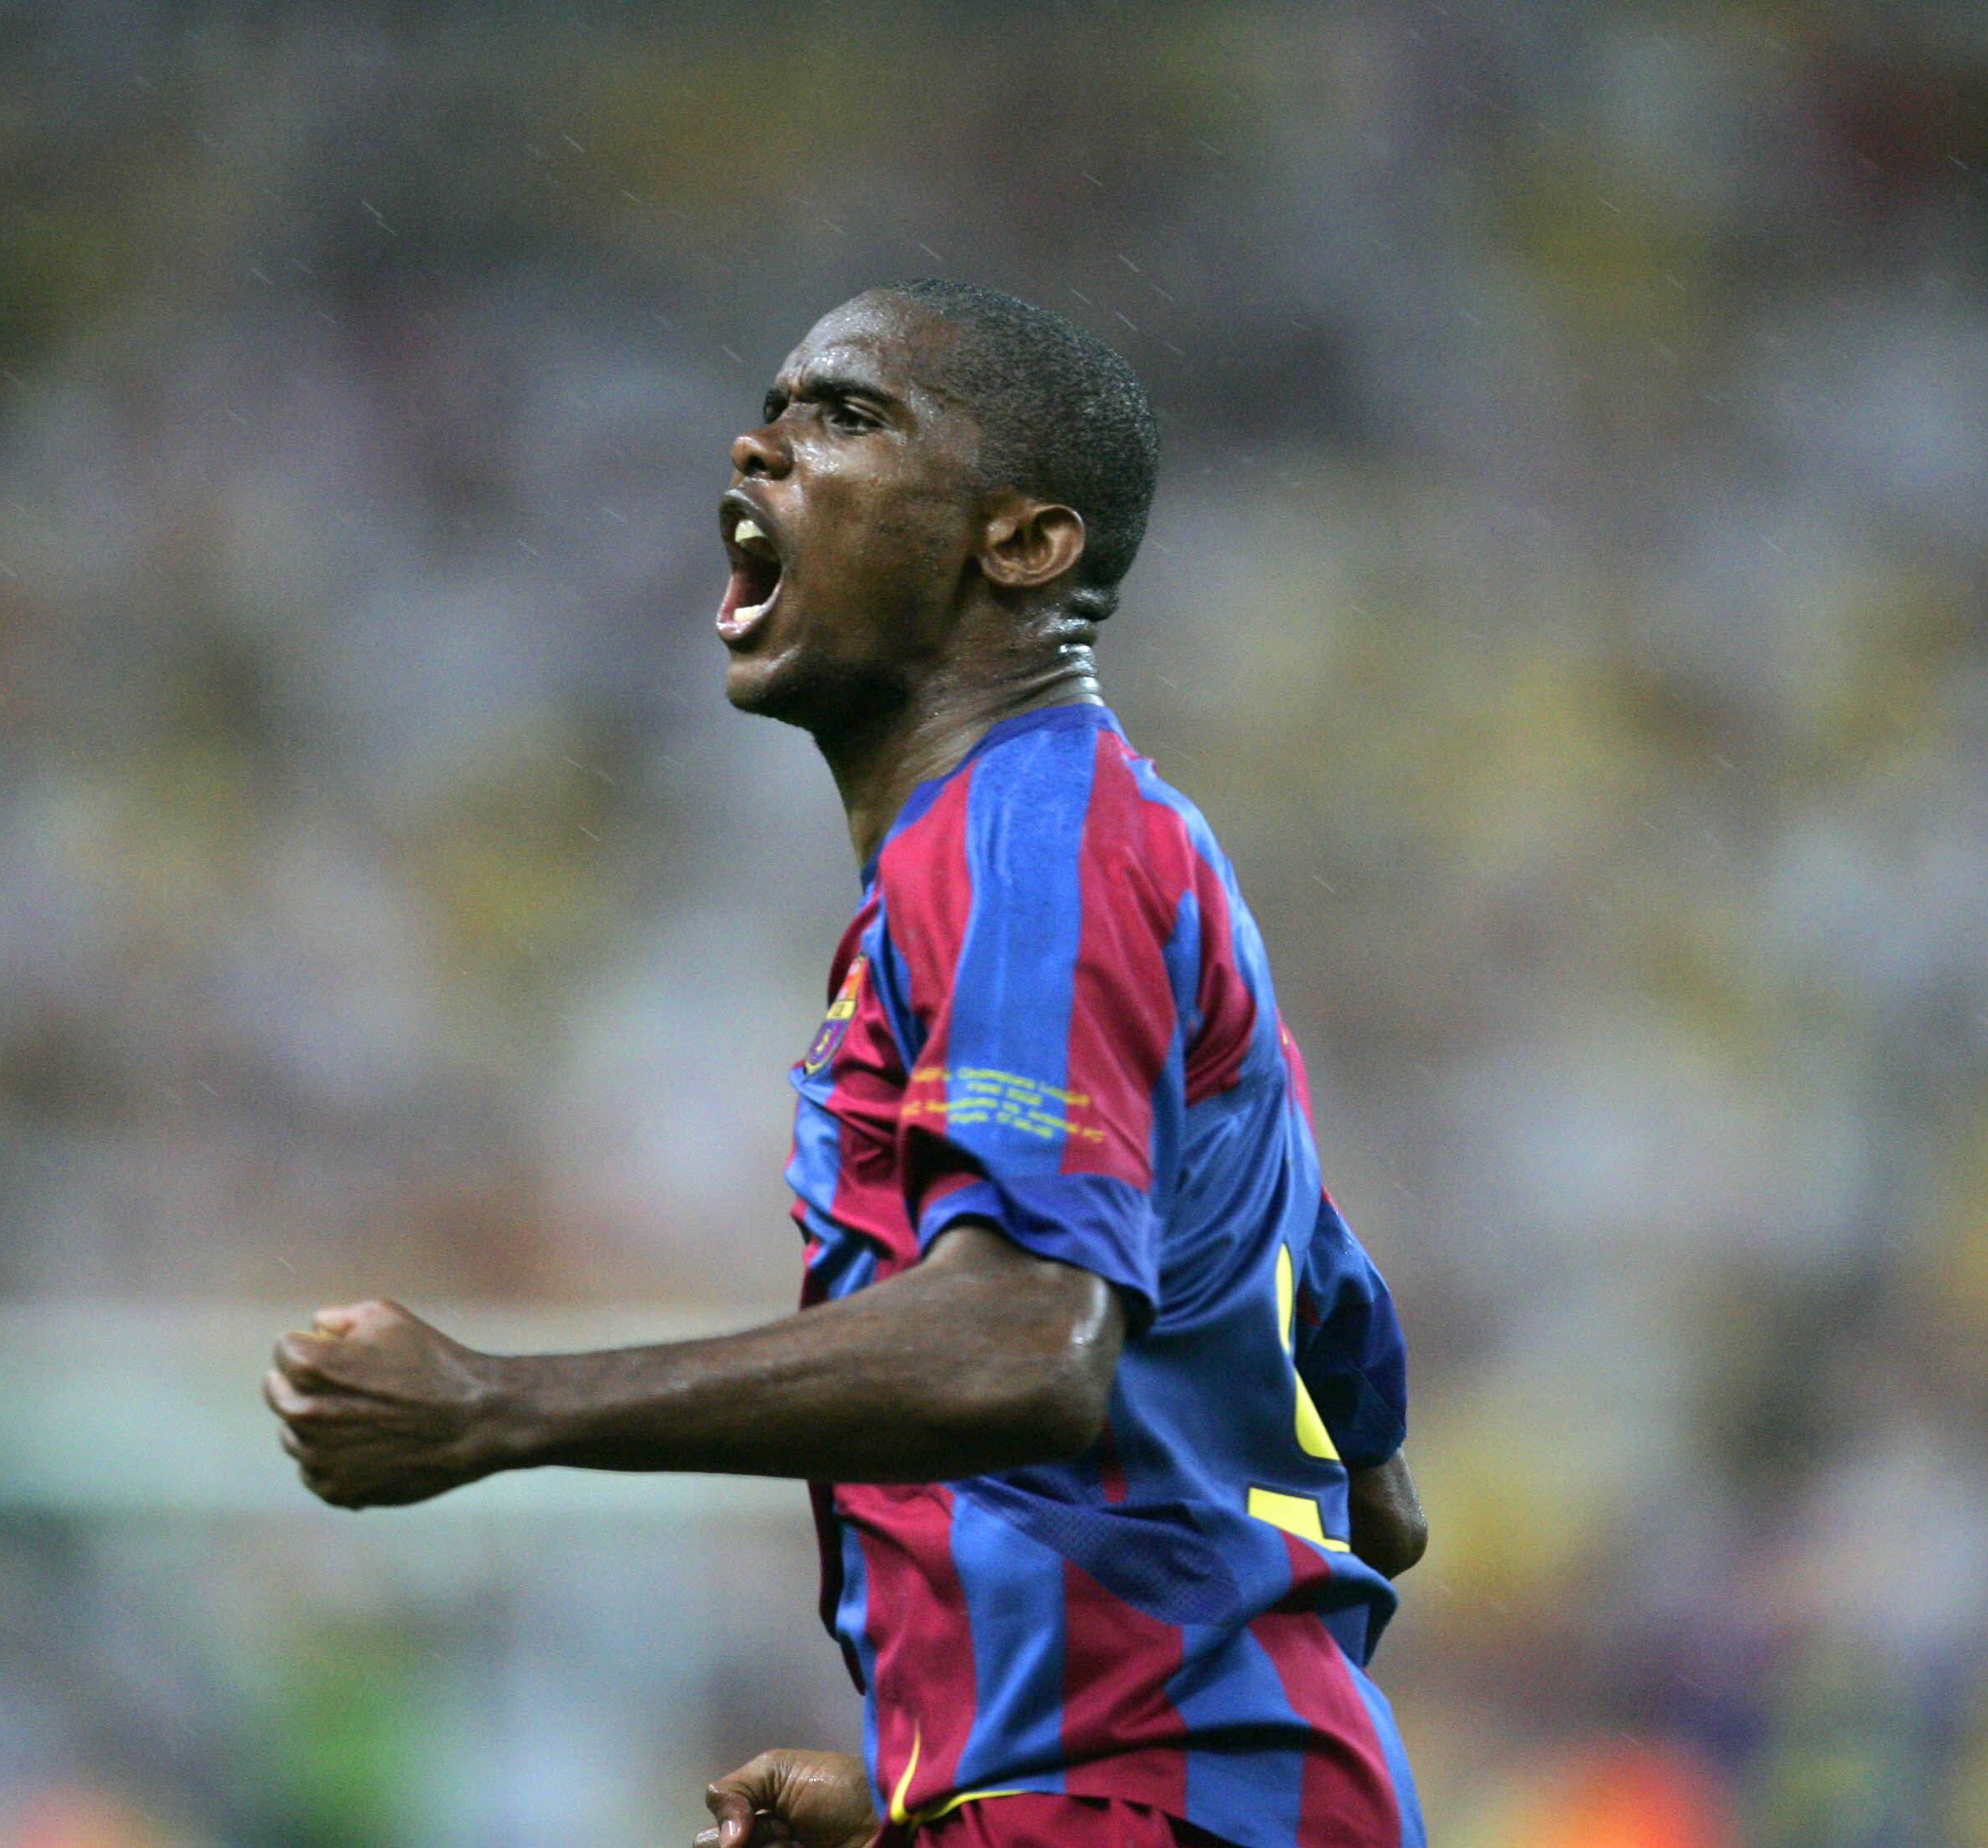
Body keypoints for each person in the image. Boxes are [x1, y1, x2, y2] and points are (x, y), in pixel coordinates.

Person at [264, 280, 1429, 1848]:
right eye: (778, 404)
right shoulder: (1082, 854)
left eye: (848, 417)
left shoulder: (1034, 847)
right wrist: (944, 1784)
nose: (762, 444)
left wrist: (497, 1406)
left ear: (1023, 544)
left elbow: (1024, 1347)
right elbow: (1373, 1484)